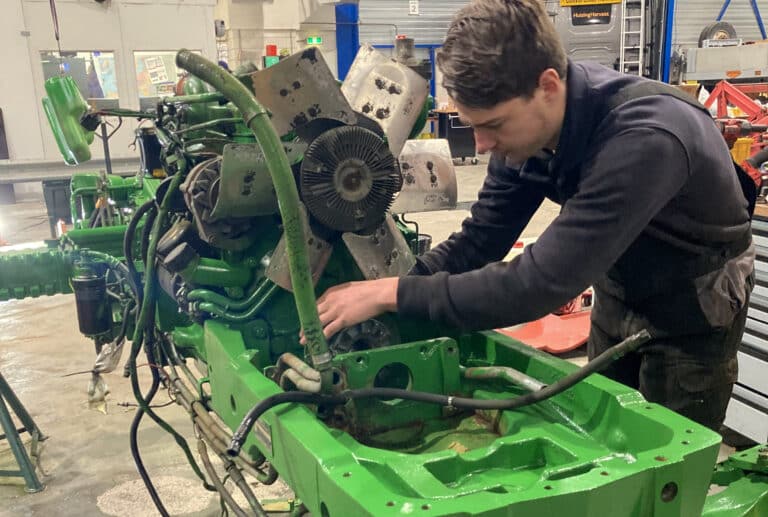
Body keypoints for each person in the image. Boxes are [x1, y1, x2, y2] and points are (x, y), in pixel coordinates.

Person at [315, 0, 754, 432]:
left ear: (547, 86)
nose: (482, 145)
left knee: (666, 450)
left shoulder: (645, 138)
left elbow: (539, 284)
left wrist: (395, 294)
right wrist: (396, 290)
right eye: (473, 125)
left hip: (693, 304)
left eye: (493, 125)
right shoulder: (529, 134)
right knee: (606, 434)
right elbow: (480, 241)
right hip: (619, 288)